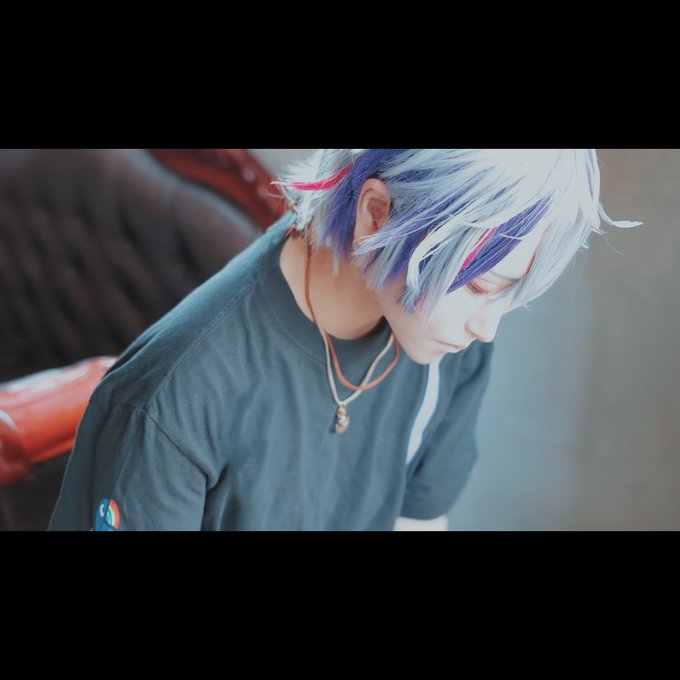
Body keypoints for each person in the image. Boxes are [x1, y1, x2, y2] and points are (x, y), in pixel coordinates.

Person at [47, 149, 641, 531]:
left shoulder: (448, 348)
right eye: (480, 287)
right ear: (376, 214)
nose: (486, 327)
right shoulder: (171, 400)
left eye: (510, 296)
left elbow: (418, 521)